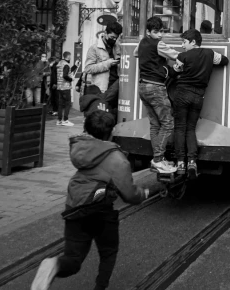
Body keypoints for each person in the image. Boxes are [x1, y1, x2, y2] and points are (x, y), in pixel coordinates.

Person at [31, 110, 149, 290]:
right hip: (99, 208)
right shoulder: (117, 159)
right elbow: (129, 194)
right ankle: (100, 287)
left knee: (73, 260)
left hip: (74, 205)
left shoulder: (79, 147)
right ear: (111, 132)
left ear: (87, 129)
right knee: (108, 252)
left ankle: (54, 265)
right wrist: (144, 193)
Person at [172, 28, 229, 179]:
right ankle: (192, 161)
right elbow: (224, 60)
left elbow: (176, 70)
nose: (182, 46)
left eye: (184, 42)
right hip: (199, 97)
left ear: (193, 42)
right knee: (190, 128)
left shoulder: (182, 56)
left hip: (183, 93)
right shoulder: (210, 54)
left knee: (179, 128)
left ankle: (180, 163)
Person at [133, 16, 179, 175]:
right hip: (155, 87)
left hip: (142, 86)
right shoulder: (159, 44)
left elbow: (135, 54)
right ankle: (158, 160)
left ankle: (158, 159)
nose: (160, 35)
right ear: (148, 31)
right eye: (156, 32)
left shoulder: (142, 43)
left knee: (155, 124)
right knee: (168, 123)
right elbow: (176, 56)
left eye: (161, 32)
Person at [85, 23, 123, 116]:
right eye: (112, 37)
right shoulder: (94, 48)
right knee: (101, 116)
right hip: (102, 89)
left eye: (116, 38)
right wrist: (107, 63)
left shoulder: (118, 47)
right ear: (105, 33)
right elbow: (88, 68)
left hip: (117, 87)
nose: (114, 40)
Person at [56, 52, 77, 126]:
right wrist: (71, 79)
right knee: (68, 103)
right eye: (70, 56)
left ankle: (59, 120)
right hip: (65, 87)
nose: (71, 58)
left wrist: (75, 66)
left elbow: (67, 71)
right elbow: (65, 75)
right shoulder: (66, 65)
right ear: (68, 57)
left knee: (60, 104)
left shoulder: (60, 63)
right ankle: (65, 120)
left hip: (60, 87)